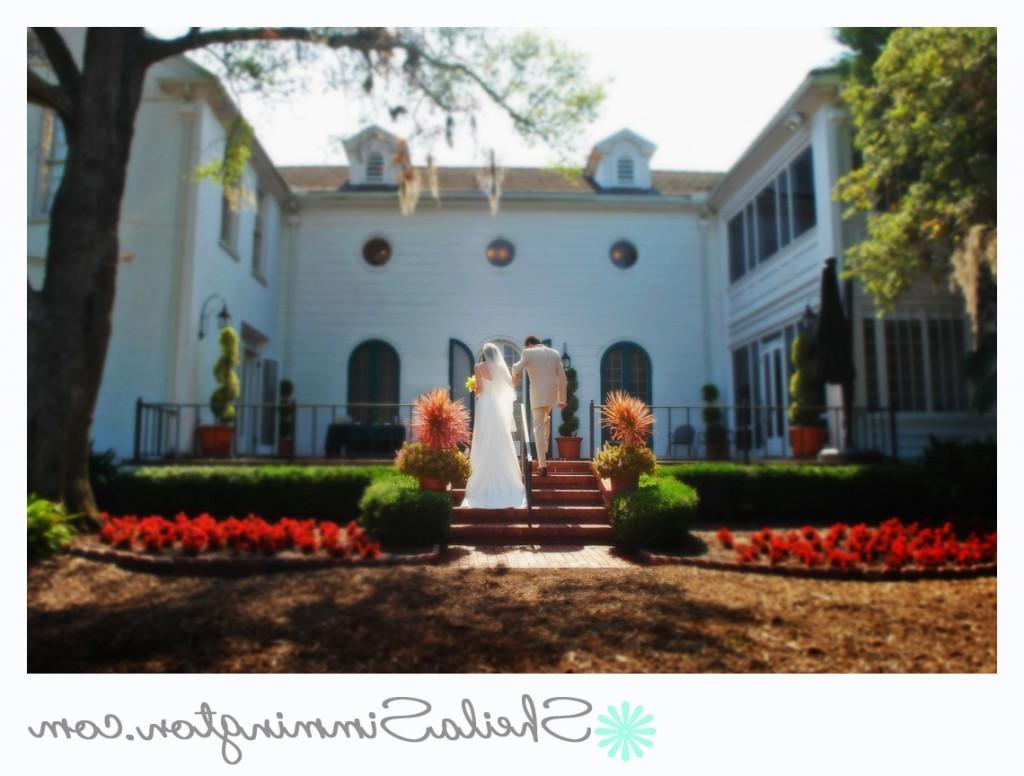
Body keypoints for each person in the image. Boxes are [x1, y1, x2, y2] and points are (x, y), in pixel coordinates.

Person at [460, 343, 528, 509]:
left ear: (484, 353)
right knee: (500, 438)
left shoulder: (478, 367)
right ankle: (509, 481)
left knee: (483, 438)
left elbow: (481, 389)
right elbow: (509, 385)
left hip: (484, 404)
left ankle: (479, 480)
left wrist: (474, 388)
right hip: (496, 406)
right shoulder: (499, 367)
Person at [511, 336, 567, 476]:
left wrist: (513, 371)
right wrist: (562, 399)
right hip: (551, 395)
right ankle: (545, 451)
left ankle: (542, 466)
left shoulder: (528, 352)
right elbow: (563, 378)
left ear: (529, 344)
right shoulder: (554, 353)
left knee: (538, 428)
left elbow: (517, 368)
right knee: (545, 422)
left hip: (537, 395)